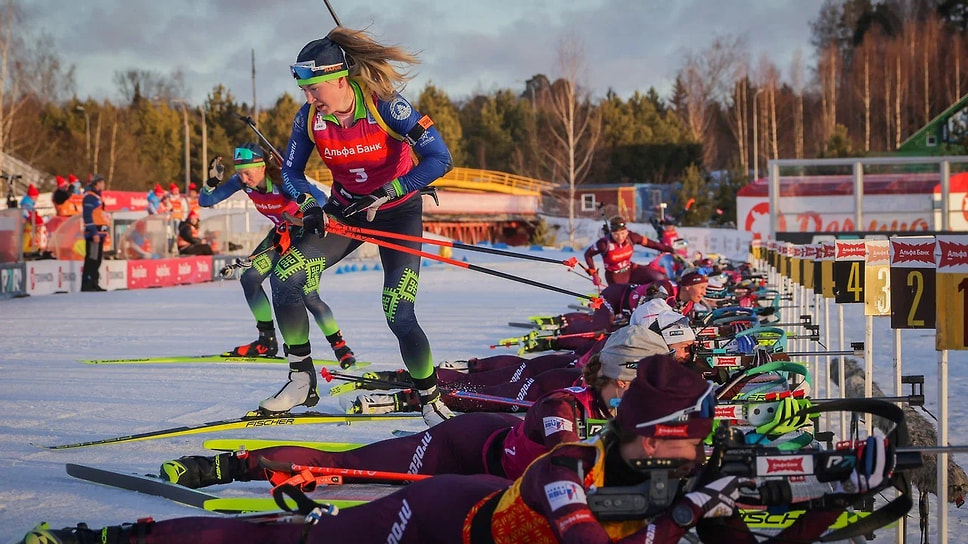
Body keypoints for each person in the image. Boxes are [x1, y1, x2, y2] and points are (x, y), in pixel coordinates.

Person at [22, 355, 891, 544]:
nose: (698, 452)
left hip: (472, 482)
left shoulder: (679, 478)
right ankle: (121, 539)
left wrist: (824, 503)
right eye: (692, 436)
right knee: (282, 543)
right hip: (436, 508)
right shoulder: (564, 453)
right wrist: (687, 514)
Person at [274, 27, 454, 425]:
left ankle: (430, 399)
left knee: (398, 313)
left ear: (340, 79)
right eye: (304, 90)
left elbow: (440, 159)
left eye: (315, 88)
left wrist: (392, 191)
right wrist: (309, 204)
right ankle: (301, 376)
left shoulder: (386, 106)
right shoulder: (308, 119)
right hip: (348, 211)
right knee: (285, 274)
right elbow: (291, 171)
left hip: (398, 212)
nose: (309, 98)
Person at [159, 351, 624, 489]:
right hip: (459, 448)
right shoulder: (564, 407)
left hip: (487, 467)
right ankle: (225, 467)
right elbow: (566, 471)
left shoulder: (608, 405)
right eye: (633, 381)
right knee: (343, 465)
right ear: (618, 378)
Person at [200, 145, 356, 364]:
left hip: (304, 235)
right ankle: (267, 340)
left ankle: (340, 347)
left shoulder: (283, 182)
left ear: (263, 166)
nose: (244, 179)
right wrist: (211, 183)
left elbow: (321, 198)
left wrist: (305, 215)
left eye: (248, 172)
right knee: (250, 278)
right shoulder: (242, 183)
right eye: (240, 173)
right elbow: (206, 201)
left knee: (309, 295)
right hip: (280, 236)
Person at [584, 215, 676, 287]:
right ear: (611, 233)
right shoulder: (604, 243)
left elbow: (653, 244)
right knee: (626, 297)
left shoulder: (632, 237)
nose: (620, 237)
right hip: (615, 276)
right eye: (616, 234)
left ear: (627, 231)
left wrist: (671, 250)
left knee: (659, 278)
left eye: (622, 233)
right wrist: (594, 274)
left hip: (631, 270)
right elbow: (588, 254)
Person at [81, 174, 109, 292]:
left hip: (100, 232)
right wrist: (94, 232)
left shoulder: (98, 197)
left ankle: (94, 282)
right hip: (94, 233)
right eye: (102, 183)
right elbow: (88, 216)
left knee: (97, 259)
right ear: (96, 184)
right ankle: (88, 283)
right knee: (92, 258)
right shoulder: (90, 198)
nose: (103, 185)